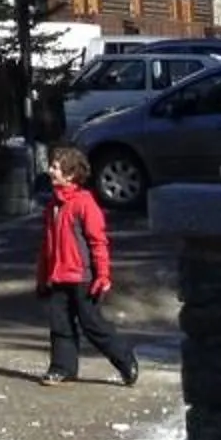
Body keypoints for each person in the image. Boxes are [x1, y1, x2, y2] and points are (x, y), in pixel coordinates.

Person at [33, 144, 137, 388]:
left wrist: (102, 275)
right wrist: (42, 277)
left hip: (82, 278)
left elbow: (98, 242)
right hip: (58, 277)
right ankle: (62, 368)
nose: (50, 171)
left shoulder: (84, 203)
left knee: (92, 325)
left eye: (56, 167)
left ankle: (125, 360)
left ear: (70, 175)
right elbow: (46, 247)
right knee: (60, 324)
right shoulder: (52, 207)